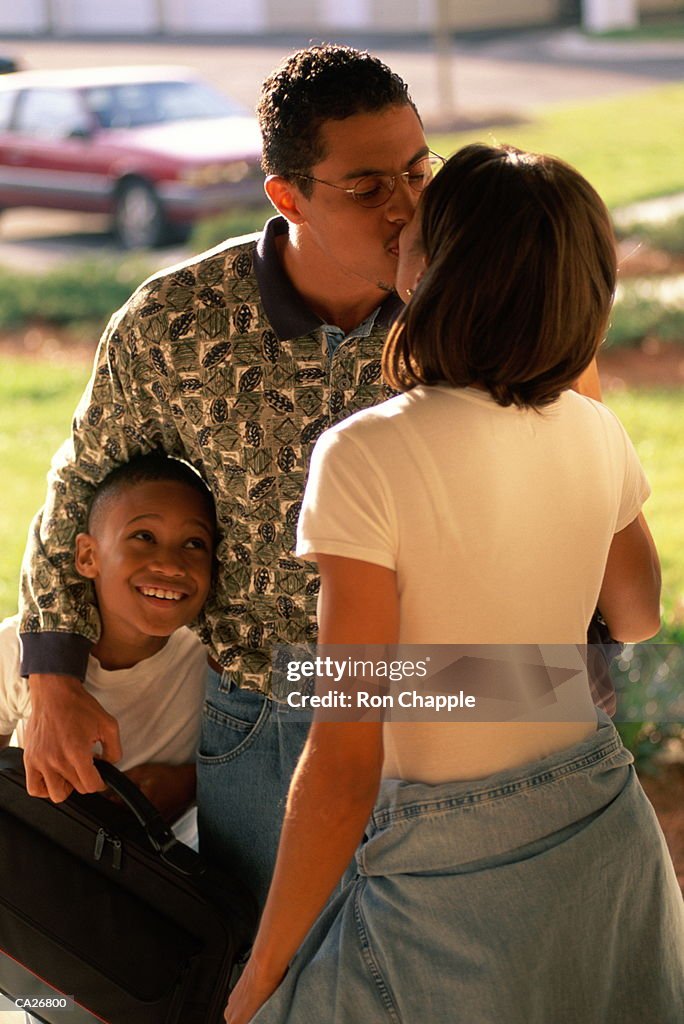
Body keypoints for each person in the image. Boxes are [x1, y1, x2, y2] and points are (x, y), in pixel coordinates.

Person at [18, 45, 599, 908]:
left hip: (464, 707)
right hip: (267, 712)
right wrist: (52, 675)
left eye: (416, 170)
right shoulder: (176, 321)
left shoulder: (482, 305)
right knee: (274, 978)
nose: (406, 208)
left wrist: (555, 685)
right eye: (367, 187)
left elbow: (581, 498)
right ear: (286, 196)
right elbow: (82, 485)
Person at [225, 145, 684, 1023]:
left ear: (433, 270)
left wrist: (262, 972)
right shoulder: (597, 430)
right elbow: (634, 616)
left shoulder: (366, 452)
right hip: (601, 835)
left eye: (417, 228)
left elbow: (345, 751)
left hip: (452, 879)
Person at [3, 452, 215, 822]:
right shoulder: (19, 649)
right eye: (143, 537)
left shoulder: (215, 660)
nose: (169, 564)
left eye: (194, 543)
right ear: (87, 556)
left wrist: (189, 785)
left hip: (158, 873)